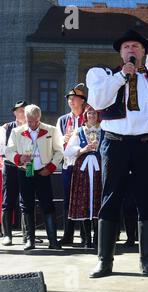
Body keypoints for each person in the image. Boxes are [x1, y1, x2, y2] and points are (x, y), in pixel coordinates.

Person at [86, 29, 148, 278]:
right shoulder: (104, 75)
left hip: (146, 144)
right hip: (115, 143)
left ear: (144, 53)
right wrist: (121, 76)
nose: (131, 50)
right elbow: (97, 101)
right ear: (120, 52)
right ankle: (104, 261)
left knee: (146, 198)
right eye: (126, 46)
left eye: (136, 47)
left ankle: (147, 261)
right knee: (110, 198)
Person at [5, 104, 63, 250]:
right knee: (26, 205)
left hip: (43, 171)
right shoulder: (17, 132)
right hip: (26, 170)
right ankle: (30, 240)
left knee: (47, 204)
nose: (31, 124)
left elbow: (59, 151)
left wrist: (50, 167)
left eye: (34, 121)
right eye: (29, 121)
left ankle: (53, 240)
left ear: (39, 118)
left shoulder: (51, 130)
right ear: (25, 118)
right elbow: (9, 151)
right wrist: (19, 158)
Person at [64, 105, 102, 248]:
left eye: (94, 113)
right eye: (89, 113)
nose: (92, 116)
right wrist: (83, 149)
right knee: (84, 201)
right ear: (85, 115)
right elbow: (68, 152)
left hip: (99, 169)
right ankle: (86, 239)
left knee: (98, 201)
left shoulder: (103, 130)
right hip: (83, 170)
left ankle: (98, 239)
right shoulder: (79, 131)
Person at [56, 84, 86, 247]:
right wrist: (64, 140)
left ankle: (85, 235)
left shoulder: (88, 117)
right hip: (68, 164)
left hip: (84, 164)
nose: (71, 101)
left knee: (84, 198)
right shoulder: (63, 120)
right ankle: (68, 235)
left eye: (74, 98)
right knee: (67, 199)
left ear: (82, 101)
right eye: (69, 99)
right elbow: (57, 141)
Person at [1, 100, 26, 246]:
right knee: (7, 201)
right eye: (18, 110)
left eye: (24, 110)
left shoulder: (32, 127)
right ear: (14, 113)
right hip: (10, 166)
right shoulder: (6, 128)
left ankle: (27, 235)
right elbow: (2, 149)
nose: (21, 113)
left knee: (27, 200)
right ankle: (7, 235)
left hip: (27, 167)